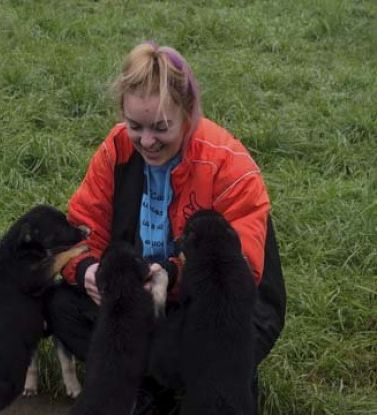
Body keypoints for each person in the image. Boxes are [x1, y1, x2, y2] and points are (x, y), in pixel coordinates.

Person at [48, 42, 286, 413]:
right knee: (62, 306)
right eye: (135, 126)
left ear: (188, 113)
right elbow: (80, 229)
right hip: (150, 305)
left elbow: (241, 268)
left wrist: (171, 276)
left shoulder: (228, 164)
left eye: (161, 128)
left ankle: (193, 381)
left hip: (212, 307)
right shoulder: (114, 150)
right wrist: (86, 271)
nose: (146, 141)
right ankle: (148, 388)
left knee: (218, 347)